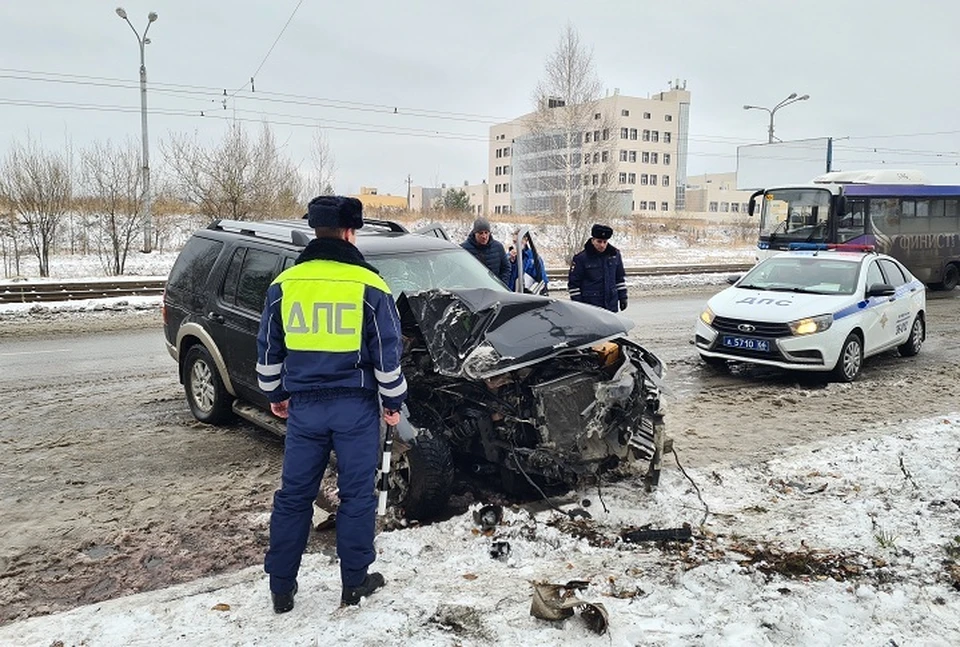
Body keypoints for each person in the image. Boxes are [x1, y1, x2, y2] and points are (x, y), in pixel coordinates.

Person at [256, 195, 407, 613]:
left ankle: (281, 587)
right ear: (349, 232)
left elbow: (269, 350)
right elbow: (387, 353)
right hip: (354, 408)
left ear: (315, 231)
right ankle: (354, 581)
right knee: (357, 495)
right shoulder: (370, 285)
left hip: (305, 408)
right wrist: (393, 401)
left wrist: (276, 395)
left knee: (294, 496)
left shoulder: (285, 284)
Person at [567, 223, 627, 312]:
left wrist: (623, 297)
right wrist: (578, 305)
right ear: (593, 240)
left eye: (605, 242)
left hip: (610, 304)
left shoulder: (614, 255)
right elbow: (574, 284)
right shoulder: (581, 258)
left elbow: (619, 279)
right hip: (590, 306)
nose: (602, 245)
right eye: (599, 241)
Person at [461, 217, 511, 286]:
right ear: (475, 233)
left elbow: (506, 268)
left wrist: (502, 285)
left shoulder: (498, 247)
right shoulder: (464, 249)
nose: (484, 236)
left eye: (486, 233)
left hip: (495, 290)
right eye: (480, 233)